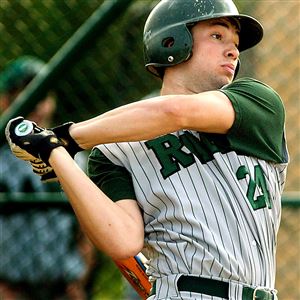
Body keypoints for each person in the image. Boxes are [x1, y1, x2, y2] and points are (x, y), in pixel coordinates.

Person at [5, 1, 289, 299]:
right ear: (172, 41)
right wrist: (56, 154)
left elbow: (174, 112)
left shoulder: (258, 103)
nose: (233, 51)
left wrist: (68, 137)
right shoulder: (114, 151)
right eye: (217, 36)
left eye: (236, 43)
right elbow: (123, 241)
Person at [0, 56, 93, 300]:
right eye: (26, 96)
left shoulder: (74, 159)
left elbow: (87, 229)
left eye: (43, 96)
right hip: (10, 288)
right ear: (4, 101)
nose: (37, 106)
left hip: (64, 288)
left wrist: (80, 279)